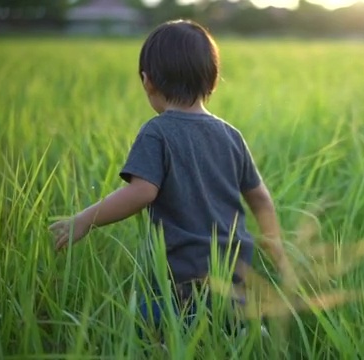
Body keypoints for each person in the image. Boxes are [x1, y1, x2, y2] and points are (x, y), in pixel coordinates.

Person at [48, 19, 296, 341]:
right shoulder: (231, 135)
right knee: (231, 322)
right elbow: (261, 198)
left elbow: (142, 192)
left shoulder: (157, 131)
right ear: (213, 80)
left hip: (178, 280)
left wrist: (85, 220)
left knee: (143, 330)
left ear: (147, 81)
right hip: (233, 273)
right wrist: (274, 244)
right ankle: (248, 331)